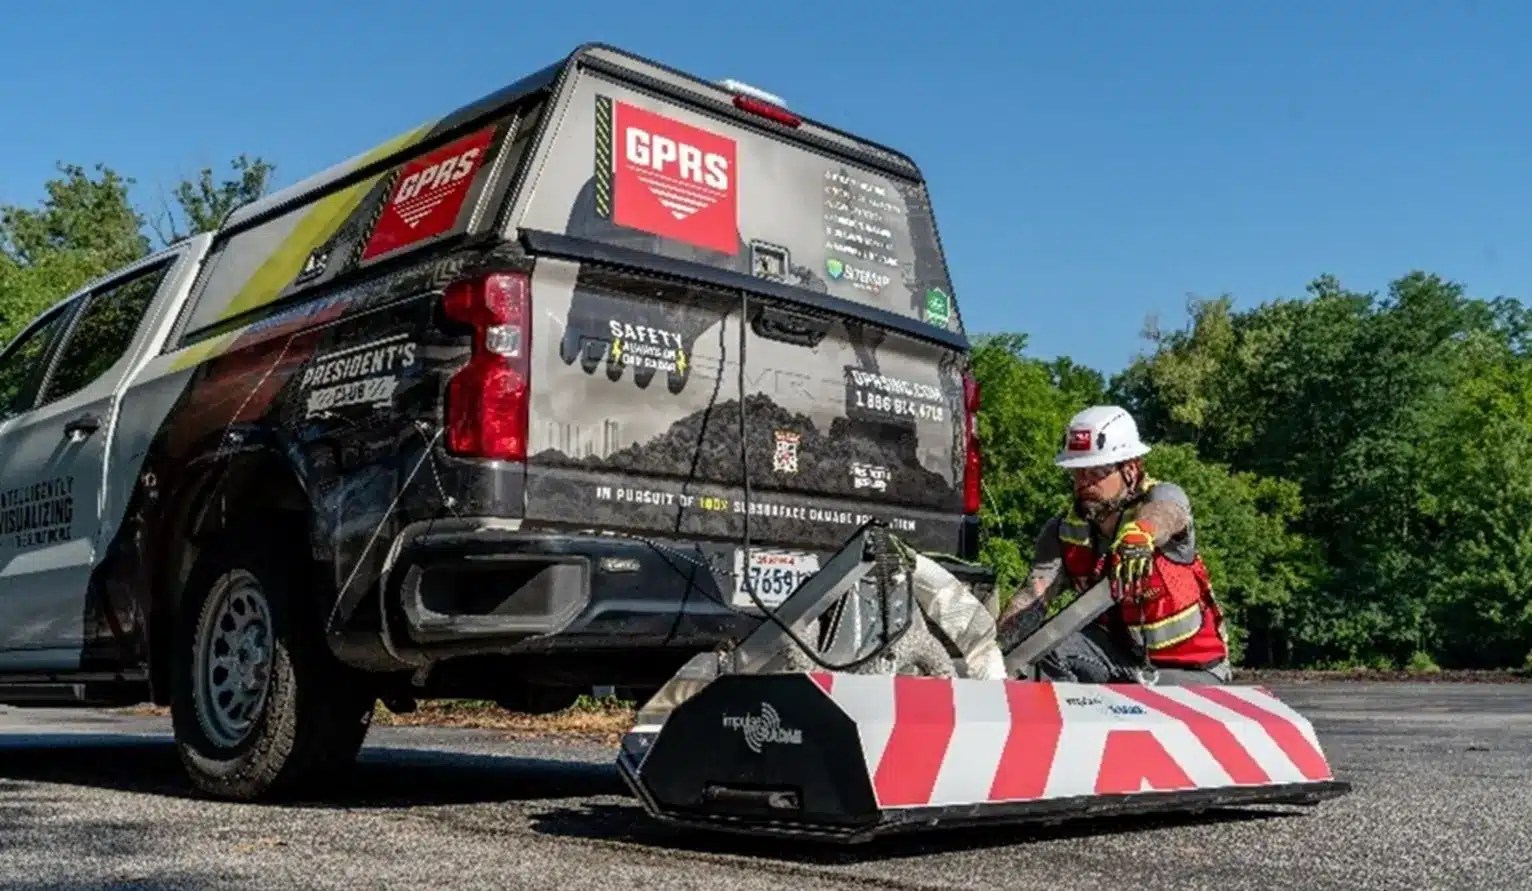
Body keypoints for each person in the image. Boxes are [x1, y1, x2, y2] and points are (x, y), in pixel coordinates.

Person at [996, 405, 1232, 685]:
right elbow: (1032, 598)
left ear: (1130, 470)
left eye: (1096, 472)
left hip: (1192, 670)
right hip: (1117, 660)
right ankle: (1071, 726)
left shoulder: (1160, 498)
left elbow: (1169, 512)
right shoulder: (1062, 531)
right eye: (1077, 472)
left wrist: (1142, 532)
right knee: (1044, 650)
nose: (1083, 483)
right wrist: (991, 655)